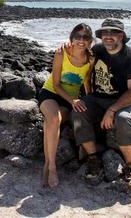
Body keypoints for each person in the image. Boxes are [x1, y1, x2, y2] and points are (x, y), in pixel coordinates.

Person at [71, 18, 131, 191]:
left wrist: (112, 110)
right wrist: (64, 48)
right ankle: (93, 158)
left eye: (113, 32)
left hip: (123, 101)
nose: (108, 36)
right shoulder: (97, 50)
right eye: (105, 33)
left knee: (125, 119)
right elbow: (77, 52)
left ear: (122, 36)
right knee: (78, 112)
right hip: (96, 98)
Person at [39, 23, 94, 188]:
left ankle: (47, 165)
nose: (81, 40)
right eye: (78, 36)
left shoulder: (90, 60)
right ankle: (51, 166)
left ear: (91, 41)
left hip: (69, 100)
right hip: (51, 93)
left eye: (86, 37)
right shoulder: (62, 53)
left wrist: (89, 101)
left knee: (53, 122)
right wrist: (73, 101)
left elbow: (86, 82)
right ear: (72, 39)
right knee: (53, 119)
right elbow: (56, 84)